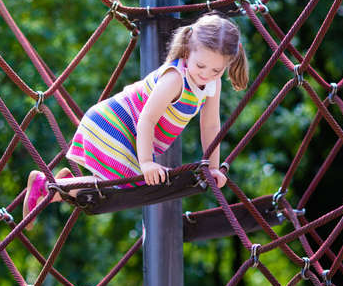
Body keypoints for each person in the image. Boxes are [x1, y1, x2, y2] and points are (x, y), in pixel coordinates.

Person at [22, 12, 249, 230]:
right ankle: (47, 186)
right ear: (188, 51)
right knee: (132, 189)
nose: (206, 74)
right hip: (114, 124)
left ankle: (64, 186)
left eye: (217, 70)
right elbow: (147, 119)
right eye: (201, 66)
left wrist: (213, 166)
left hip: (130, 134)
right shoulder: (175, 79)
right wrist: (147, 163)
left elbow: (210, 125)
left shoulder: (211, 84)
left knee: (127, 191)